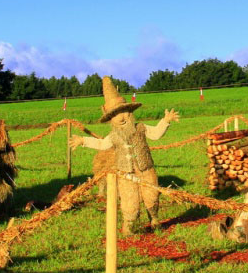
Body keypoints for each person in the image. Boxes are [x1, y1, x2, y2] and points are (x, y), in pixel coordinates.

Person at [70, 76, 179, 235]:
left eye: (124, 112)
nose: (121, 117)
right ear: (110, 119)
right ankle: (128, 227)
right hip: (125, 174)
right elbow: (101, 144)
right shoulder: (113, 136)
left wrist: (165, 121)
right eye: (116, 114)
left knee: (152, 196)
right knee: (130, 201)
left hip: (146, 169)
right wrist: (83, 141)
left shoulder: (141, 127)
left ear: (130, 111)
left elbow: (155, 134)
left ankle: (154, 219)